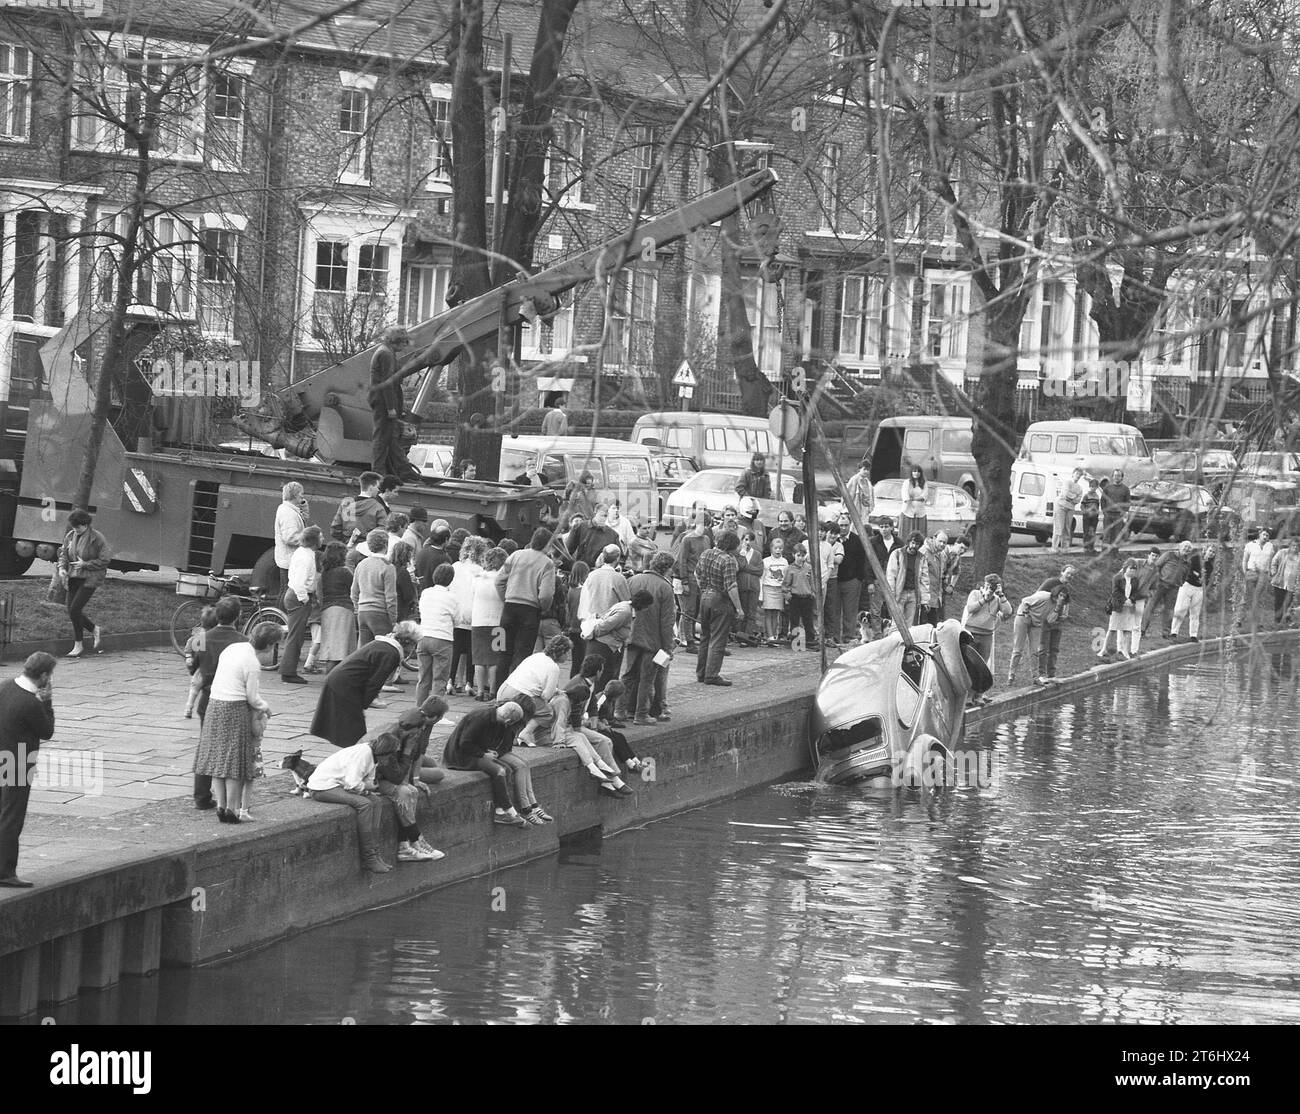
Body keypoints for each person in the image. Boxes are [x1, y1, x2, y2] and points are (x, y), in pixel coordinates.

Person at [194, 622, 283, 823]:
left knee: (218, 759)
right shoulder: (252, 664)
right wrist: (266, 707)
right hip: (234, 709)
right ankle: (233, 810)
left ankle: (221, 806)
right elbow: (252, 698)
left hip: (214, 706)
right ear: (270, 645)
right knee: (234, 762)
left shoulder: (232, 648)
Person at [310, 620, 420, 747]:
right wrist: (365, 702)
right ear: (408, 642)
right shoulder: (391, 653)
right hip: (346, 684)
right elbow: (375, 682)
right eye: (414, 645)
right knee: (354, 729)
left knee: (348, 726)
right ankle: (353, 755)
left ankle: (350, 753)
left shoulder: (384, 644)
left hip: (340, 680)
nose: (413, 650)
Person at [0, 652, 57, 888]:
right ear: (43, 675)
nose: (51, 679)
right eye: (50, 675)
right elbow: (47, 731)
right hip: (19, 763)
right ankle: (5, 872)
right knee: (12, 817)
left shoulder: (4, 687)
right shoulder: (31, 703)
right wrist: (48, 703)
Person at [370, 696, 449, 863]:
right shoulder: (414, 730)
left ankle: (407, 845)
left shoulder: (417, 720)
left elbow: (416, 754)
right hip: (378, 773)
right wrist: (408, 781)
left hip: (391, 767)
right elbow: (401, 761)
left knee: (420, 778)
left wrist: (416, 777)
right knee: (409, 791)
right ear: (435, 718)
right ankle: (413, 841)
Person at [187, 596, 246, 810]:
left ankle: (201, 796)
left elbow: (192, 667)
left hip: (208, 699)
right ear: (237, 616)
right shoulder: (242, 640)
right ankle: (234, 799)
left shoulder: (202, 638)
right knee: (234, 747)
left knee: (207, 745)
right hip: (234, 698)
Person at [441, 701, 538, 827]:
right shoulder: (480, 718)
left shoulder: (495, 718)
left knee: (507, 770)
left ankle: (500, 812)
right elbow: (464, 743)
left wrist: (486, 751)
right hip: (460, 756)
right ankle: (510, 811)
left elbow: (478, 741)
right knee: (499, 771)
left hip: (474, 752)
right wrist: (483, 754)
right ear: (508, 720)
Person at [306, 738, 394, 873]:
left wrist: (369, 786)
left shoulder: (372, 754)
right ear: (385, 752)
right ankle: (368, 857)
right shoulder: (364, 754)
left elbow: (366, 780)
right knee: (364, 804)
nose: (391, 758)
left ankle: (375, 853)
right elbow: (352, 783)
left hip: (339, 784)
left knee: (376, 802)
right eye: (391, 754)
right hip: (322, 787)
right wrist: (366, 790)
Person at [621, 551, 675, 723]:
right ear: (666, 568)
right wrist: (668, 647)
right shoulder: (665, 587)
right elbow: (667, 622)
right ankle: (641, 714)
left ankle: (620, 710)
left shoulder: (633, 580)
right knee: (647, 677)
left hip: (632, 635)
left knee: (628, 675)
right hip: (654, 641)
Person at [495, 527, 557, 678]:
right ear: (547, 545)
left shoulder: (515, 556)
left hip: (508, 610)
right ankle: (515, 691)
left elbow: (498, 581)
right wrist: (543, 608)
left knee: (502, 651)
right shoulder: (547, 563)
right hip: (529, 612)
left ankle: (497, 691)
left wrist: (506, 598)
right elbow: (546, 595)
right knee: (522, 654)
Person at [497, 635, 572, 745]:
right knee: (546, 712)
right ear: (562, 651)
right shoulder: (554, 667)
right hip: (519, 695)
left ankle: (513, 737)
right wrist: (554, 692)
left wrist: (552, 689)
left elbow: (533, 679)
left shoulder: (537, 656)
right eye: (567, 653)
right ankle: (526, 733)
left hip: (504, 690)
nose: (567, 656)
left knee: (529, 706)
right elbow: (546, 696)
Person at [57, 509, 112, 658]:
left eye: (78, 527)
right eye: (74, 527)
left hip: (90, 578)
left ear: (86, 524)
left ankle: (78, 644)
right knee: (71, 611)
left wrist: (86, 564)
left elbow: (105, 560)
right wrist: (62, 568)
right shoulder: (70, 536)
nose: (76, 530)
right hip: (74, 576)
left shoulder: (97, 538)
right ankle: (93, 630)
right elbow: (63, 554)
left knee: (75, 609)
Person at [369, 326, 420, 481]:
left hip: (382, 401)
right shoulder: (385, 354)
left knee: (391, 437)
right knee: (382, 438)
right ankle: (378, 473)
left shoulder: (386, 352)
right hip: (383, 403)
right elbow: (388, 383)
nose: (405, 346)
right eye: (404, 342)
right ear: (397, 341)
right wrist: (391, 408)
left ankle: (404, 470)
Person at [695, 531, 743, 685]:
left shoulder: (706, 553)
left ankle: (701, 673)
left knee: (705, 637)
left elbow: (697, 573)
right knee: (717, 639)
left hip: (705, 596)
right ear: (732, 546)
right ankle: (712, 675)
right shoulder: (728, 560)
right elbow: (731, 586)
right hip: (720, 600)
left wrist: (703, 588)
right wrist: (739, 608)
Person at [588, 589, 654, 700]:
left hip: (608, 645)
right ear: (643, 604)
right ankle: (598, 710)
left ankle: (600, 710)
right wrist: (596, 633)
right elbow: (605, 626)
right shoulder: (625, 612)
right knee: (603, 681)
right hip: (604, 646)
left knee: (604, 680)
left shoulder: (625, 607)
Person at [280, 525, 322, 684]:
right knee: (295, 637)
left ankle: (287, 669)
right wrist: (305, 599)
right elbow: (299, 582)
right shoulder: (306, 557)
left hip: (295, 596)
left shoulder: (303, 553)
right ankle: (288, 672)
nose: (323, 539)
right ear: (314, 540)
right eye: (321, 536)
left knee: (295, 636)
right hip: (298, 597)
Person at [448, 535, 484, 695]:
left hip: (456, 612)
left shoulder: (455, 567)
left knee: (455, 650)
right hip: (473, 613)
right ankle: (469, 683)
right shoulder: (481, 571)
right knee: (472, 650)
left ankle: (450, 681)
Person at [961, 573, 1012, 685]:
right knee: (969, 664)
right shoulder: (975, 593)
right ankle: (968, 695)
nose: (990, 588)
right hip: (971, 633)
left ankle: (979, 694)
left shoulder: (998, 599)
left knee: (982, 666)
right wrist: (984, 599)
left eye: (993, 586)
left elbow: (1008, 612)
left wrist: (1001, 595)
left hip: (986, 636)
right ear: (984, 584)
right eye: (988, 585)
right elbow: (970, 608)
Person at [417, 563, 457, 706]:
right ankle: (434, 711)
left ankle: (419, 710)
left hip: (423, 636)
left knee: (423, 678)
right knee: (439, 679)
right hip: (442, 638)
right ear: (451, 579)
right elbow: (457, 619)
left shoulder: (426, 593)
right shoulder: (452, 597)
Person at [471, 547, 508, 700]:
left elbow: (472, 597)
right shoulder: (503, 580)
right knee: (495, 659)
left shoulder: (477, 579)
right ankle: (493, 691)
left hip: (478, 621)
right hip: (498, 622)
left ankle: (480, 691)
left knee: (479, 659)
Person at [352, 527, 399, 647]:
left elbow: (354, 592)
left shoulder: (361, 565)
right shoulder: (388, 567)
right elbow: (391, 598)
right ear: (386, 544)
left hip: (363, 613)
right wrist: (393, 621)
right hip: (380, 614)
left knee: (364, 652)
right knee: (383, 651)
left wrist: (358, 608)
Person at [673, 509, 712, 650]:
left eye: (707, 526)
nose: (704, 528)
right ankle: (687, 640)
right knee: (688, 610)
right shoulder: (687, 539)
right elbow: (682, 560)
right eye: (702, 525)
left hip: (702, 579)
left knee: (696, 610)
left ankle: (691, 636)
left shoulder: (706, 539)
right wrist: (684, 581)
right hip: (689, 576)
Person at [316, 541, 357, 673]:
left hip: (327, 610)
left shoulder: (324, 574)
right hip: (344, 609)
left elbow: (319, 594)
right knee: (343, 648)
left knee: (331, 649)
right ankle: (336, 679)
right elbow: (355, 590)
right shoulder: (345, 572)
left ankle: (330, 677)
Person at [1006, 587, 1054, 687]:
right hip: (1023, 618)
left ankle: (1035, 678)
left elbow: (1051, 619)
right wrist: (1026, 614)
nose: (1060, 600)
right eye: (1059, 596)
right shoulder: (1044, 596)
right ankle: (1011, 676)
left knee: (1035, 651)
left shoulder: (1058, 605)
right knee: (1018, 649)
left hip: (1036, 624)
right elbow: (1025, 601)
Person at [1144, 541, 1193, 638]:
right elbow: (1157, 566)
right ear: (1179, 547)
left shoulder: (1187, 562)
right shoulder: (1169, 555)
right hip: (1160, 585)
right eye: (1185, 546)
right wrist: (1156, 581)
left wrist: (1180, 583)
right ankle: (1142, 630)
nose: (1186, 549)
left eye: (1189, 548)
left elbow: (1186, 575)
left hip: (1174, 588)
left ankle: (1166, 633)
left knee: (1169, 610)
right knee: (1150, 607)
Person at [1036, 566, 1075, 682]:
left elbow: (1066, 602)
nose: (1070, 576)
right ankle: (1041, 674)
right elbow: (1038, 596)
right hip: (1046, 620)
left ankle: (1051, 674)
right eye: (1068, 573)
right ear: (1062, 572)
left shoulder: (1067, 588)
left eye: (1072, 575)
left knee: (1054, 649)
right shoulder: (1050, 582)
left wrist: (1065, 613)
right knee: (1043, 648)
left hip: (1058, 621)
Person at [269, 482, 308, 598]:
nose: (303, 496)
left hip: (288, 558)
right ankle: (281, 615)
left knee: (285, 591)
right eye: (301, 494)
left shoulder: (289, 509)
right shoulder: (288, 514)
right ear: (295, 495)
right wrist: (308, 539)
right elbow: (289, 538)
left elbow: (305, 517)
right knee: (286, 593)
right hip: (289, 560)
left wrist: (303, 504)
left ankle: (280, 615)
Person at [333, 471, 389, 548]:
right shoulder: (378, 507)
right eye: (377, 487)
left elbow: (335, 528)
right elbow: (383, 530)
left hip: (348, 547)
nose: (378, 490)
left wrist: (346, 541)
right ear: (371, 487)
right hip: (368, 549)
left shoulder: (346, 504)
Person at [1100, 558, 1141, 660]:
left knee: (1127, 630)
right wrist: (1124, 600)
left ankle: (1125, 651)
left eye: (1134, 570)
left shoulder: (1135, 580)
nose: (1132, 571)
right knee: (1112, 629)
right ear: (1125, 568)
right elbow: (1115, 592)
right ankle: (1103, 649)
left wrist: (1131, 600)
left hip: (1130, 607)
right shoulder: (1117, 578)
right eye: (1130, 569)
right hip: (1118, 606)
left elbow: (1136, 592)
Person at [886, 531, 929, 627]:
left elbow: (924, 580)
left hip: (913, 594)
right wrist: (891, 594)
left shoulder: (922, 558)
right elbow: (891, 575)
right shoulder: (897, 554)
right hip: (900, 593)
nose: (914, 546)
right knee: (897, 622)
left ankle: (907, 642)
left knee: (910, 623)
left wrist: (925, 600)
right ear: (908, 542)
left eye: (917, 544)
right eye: (912, 543)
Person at [182, 606, 218, 718]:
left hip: (199, 669)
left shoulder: (199, 633)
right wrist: (188, 657)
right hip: (208, 669)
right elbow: (189, 646)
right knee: (200, 689)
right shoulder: (211, 635)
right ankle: (190, 707)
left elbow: (189, 646)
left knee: (194, 689)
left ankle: (189, 707)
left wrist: (188, 657)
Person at [836, 513, 865, 643]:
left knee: (850, 611)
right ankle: (835, 636)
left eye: (846, 525)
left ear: (850, 525)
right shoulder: (832, 539)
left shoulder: (856, 540)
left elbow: (862, 560)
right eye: (841, 525)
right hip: (834, 580)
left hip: (851, 580)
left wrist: (859, 578)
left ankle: (848, 636)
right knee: (834, 611)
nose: (843, 528)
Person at [1171, 543, 1208, 642]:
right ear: (1205, 550)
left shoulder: (1210, 564)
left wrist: (1204, 580)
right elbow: (1189, 570)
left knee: (1195, 612)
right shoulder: (1195, 558)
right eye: (1210, 551)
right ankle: (1174, 632)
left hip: (1199, 589)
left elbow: (1209, 578)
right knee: (1181, 609)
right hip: (1187, 585)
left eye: (1213, 552)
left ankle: (1193, 634)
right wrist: (1198, 575)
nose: (1211, 554)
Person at [1240, 527, 1275, 630]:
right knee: (1247, 597)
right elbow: (1244, 560)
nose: (1265, 537)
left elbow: (1270, 561)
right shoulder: (1250, 545)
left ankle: (1258, 623)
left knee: (1260, 599)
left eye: (1267, 535)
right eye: (1264, 534)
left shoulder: (1270, 546)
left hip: (1263, 574)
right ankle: (1239, 620)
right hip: (1251, 573)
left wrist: (1269, 574)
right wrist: (1244, 572)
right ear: (1259, 534)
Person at [818, 520, 845, 645]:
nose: (833, 536)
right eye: (830, 533)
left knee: (830, 607)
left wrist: (826, 557)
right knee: (817, 607)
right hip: (818, 577)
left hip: (832, 579)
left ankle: (829, 636)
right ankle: (817, 634)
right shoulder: (818, 544)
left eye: (836, 534)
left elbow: (838, 560)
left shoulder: (838, 546)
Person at [735, 530, 764, 645]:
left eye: (750, 540)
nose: (748, 542)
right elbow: (739, 566)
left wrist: (746, 567)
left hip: (753, 587)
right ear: (742, 540)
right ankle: (739, 635)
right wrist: (748, 567)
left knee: (751, 613)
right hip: (741, 586)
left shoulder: (757, 554)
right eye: (746, 539)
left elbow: (760, 570)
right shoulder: (739, 553)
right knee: (742, 611)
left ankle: (747, 636)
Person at [761, 537, 789, 645]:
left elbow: (786, 577)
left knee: (776, 613)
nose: (778, 550)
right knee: (768, 612)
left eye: (780, 548)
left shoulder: (785, 561)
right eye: (776, 548)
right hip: (768, 588)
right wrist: (761, 594)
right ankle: (770, 636)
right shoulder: (766, 561)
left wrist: (785, 591)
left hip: (779, 589)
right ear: (771, 548)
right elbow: (762, 577)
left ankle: (775, 635)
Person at [566, 561, 590, 675]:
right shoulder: (583, 591)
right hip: (581, 629)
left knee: (576, 661)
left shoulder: (571, 589)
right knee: (581, 662)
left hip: (572, 627)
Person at [1269, 536, 1300, 625]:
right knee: (1279, 601)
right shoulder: (1282, 552)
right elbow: (1274, 562)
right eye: (1293, 545)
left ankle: (1287, 619)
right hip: (1280, 582)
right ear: (1290, 545)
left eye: (1297, 546)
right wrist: (1274, 573)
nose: (1295, 547)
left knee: (1289, 602)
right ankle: (1277, 620)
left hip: (1292, 584)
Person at [1053, 468, 1085, 551]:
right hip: (1061, 507)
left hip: (1070, 509)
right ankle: (1054, 548)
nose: (1078, 476)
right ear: (1073, 474)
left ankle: (1065, 548)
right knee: (1059, 527)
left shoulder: (1080, 488)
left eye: (1080, 475)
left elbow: (1078, 500)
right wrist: (1074, 496)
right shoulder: (1067, 482)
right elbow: (1065, 494)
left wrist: (1072, 498)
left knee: (1067, 528)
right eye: (1077, 474)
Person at [415, 521, 452, 592]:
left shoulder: (422, 551)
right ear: (446, 539)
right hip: (436, 593)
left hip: (422, 592)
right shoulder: (445, 559)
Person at [918, 533, 946, 626]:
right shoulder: (924, 552)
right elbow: (919, 575)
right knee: (923, 626)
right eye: (940, 541)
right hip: (925, 597)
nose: (942, 544)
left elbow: (939, 576)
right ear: (934, 538)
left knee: (933, 625)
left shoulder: (940, 555)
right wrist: (923, 597)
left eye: (944, 542)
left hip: (935, 597)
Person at [1102, 469, 1130, 549]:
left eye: (1118, 476)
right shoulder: (1107, 488)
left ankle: (1114, 554)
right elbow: (1103, 500)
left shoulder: (1125, 489)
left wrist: (1124, 512)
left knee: (1116, 536)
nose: (1116, 477)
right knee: (1106, 535)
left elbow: (1127, 502)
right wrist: (1104, 511)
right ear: (1112, 477)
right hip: (1108, 515)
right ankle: (1104, 554)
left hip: (1119, 516)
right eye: (1115, 475)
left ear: (1122, 478)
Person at [899, 467, 928, 539]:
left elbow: (924, 496)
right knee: (907, 532)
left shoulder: (924, 483)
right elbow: (905, 496)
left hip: (920, 512)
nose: (916, 473)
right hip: (908, 511)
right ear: (911, 472)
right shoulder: (907, 482)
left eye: (918, 472)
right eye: (914, 471)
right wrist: (910, 499)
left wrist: (913, 499)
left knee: (919, 533)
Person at [845, 456, 875, 522]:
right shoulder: (854, 480)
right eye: (864, 469)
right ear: (860, 469)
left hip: (865, 509)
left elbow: (871, 496)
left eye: (868, 470)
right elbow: (847, 494)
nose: (866, 471)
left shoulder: (868, 482)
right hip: (856, 508)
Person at [1080, 477, 1102, 554]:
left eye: (1095, 486)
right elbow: (1082, 505)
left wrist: (1097, 512)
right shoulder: (1086, 495)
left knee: (1092, 532)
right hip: (1087, 517)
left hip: (1094, 517)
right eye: (1091, 486)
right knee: (1086, 532)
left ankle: (1091, 547)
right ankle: (1085, 548)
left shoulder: (1097, 496)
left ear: (1096, 487)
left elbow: (1097, 505)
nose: (1093, 488)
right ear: (1089, 487)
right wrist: (1085, 512)